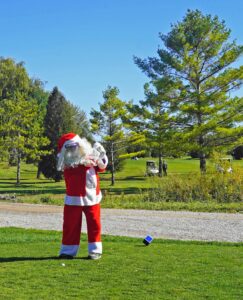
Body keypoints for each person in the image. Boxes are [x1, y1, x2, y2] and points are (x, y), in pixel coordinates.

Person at [57, 132, 108, 260]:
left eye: (75, 146)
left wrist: (101, 155)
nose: (73, 150)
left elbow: (102, 167)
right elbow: (70, 164)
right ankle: (68, 251)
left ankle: (95, 250)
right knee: (70, 225)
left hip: (92, 197)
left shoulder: (89, 155)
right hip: (74, 198)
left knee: (94, 224)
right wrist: (82, 162)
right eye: (69, 148)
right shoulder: (66, 162)